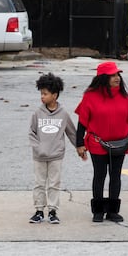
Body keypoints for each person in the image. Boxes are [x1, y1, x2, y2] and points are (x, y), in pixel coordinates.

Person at [75, 61, 128, 222]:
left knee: (115, 176)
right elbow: (82, 123)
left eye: (117, 74)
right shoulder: (90, 97)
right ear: (103, 78)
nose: (117, 78)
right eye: (112, 75)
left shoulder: (124, 97)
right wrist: (79, 144)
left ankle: (113, 211)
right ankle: (98, 212)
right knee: (99, 176)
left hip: (120, 144)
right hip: (97, 143)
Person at [28, 72, 79, 224]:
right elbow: (31, 133)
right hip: (39, 156)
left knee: (54, 183)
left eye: (45, 94)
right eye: (41, 93)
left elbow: (71, 132)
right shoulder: (37, 113)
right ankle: (38, 210)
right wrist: (38, 148)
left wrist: (80, 147)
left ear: (55, 95)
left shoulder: (63, 114)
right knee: (39, 183)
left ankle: (52, 210)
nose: (42, 97)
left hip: (56, 155)